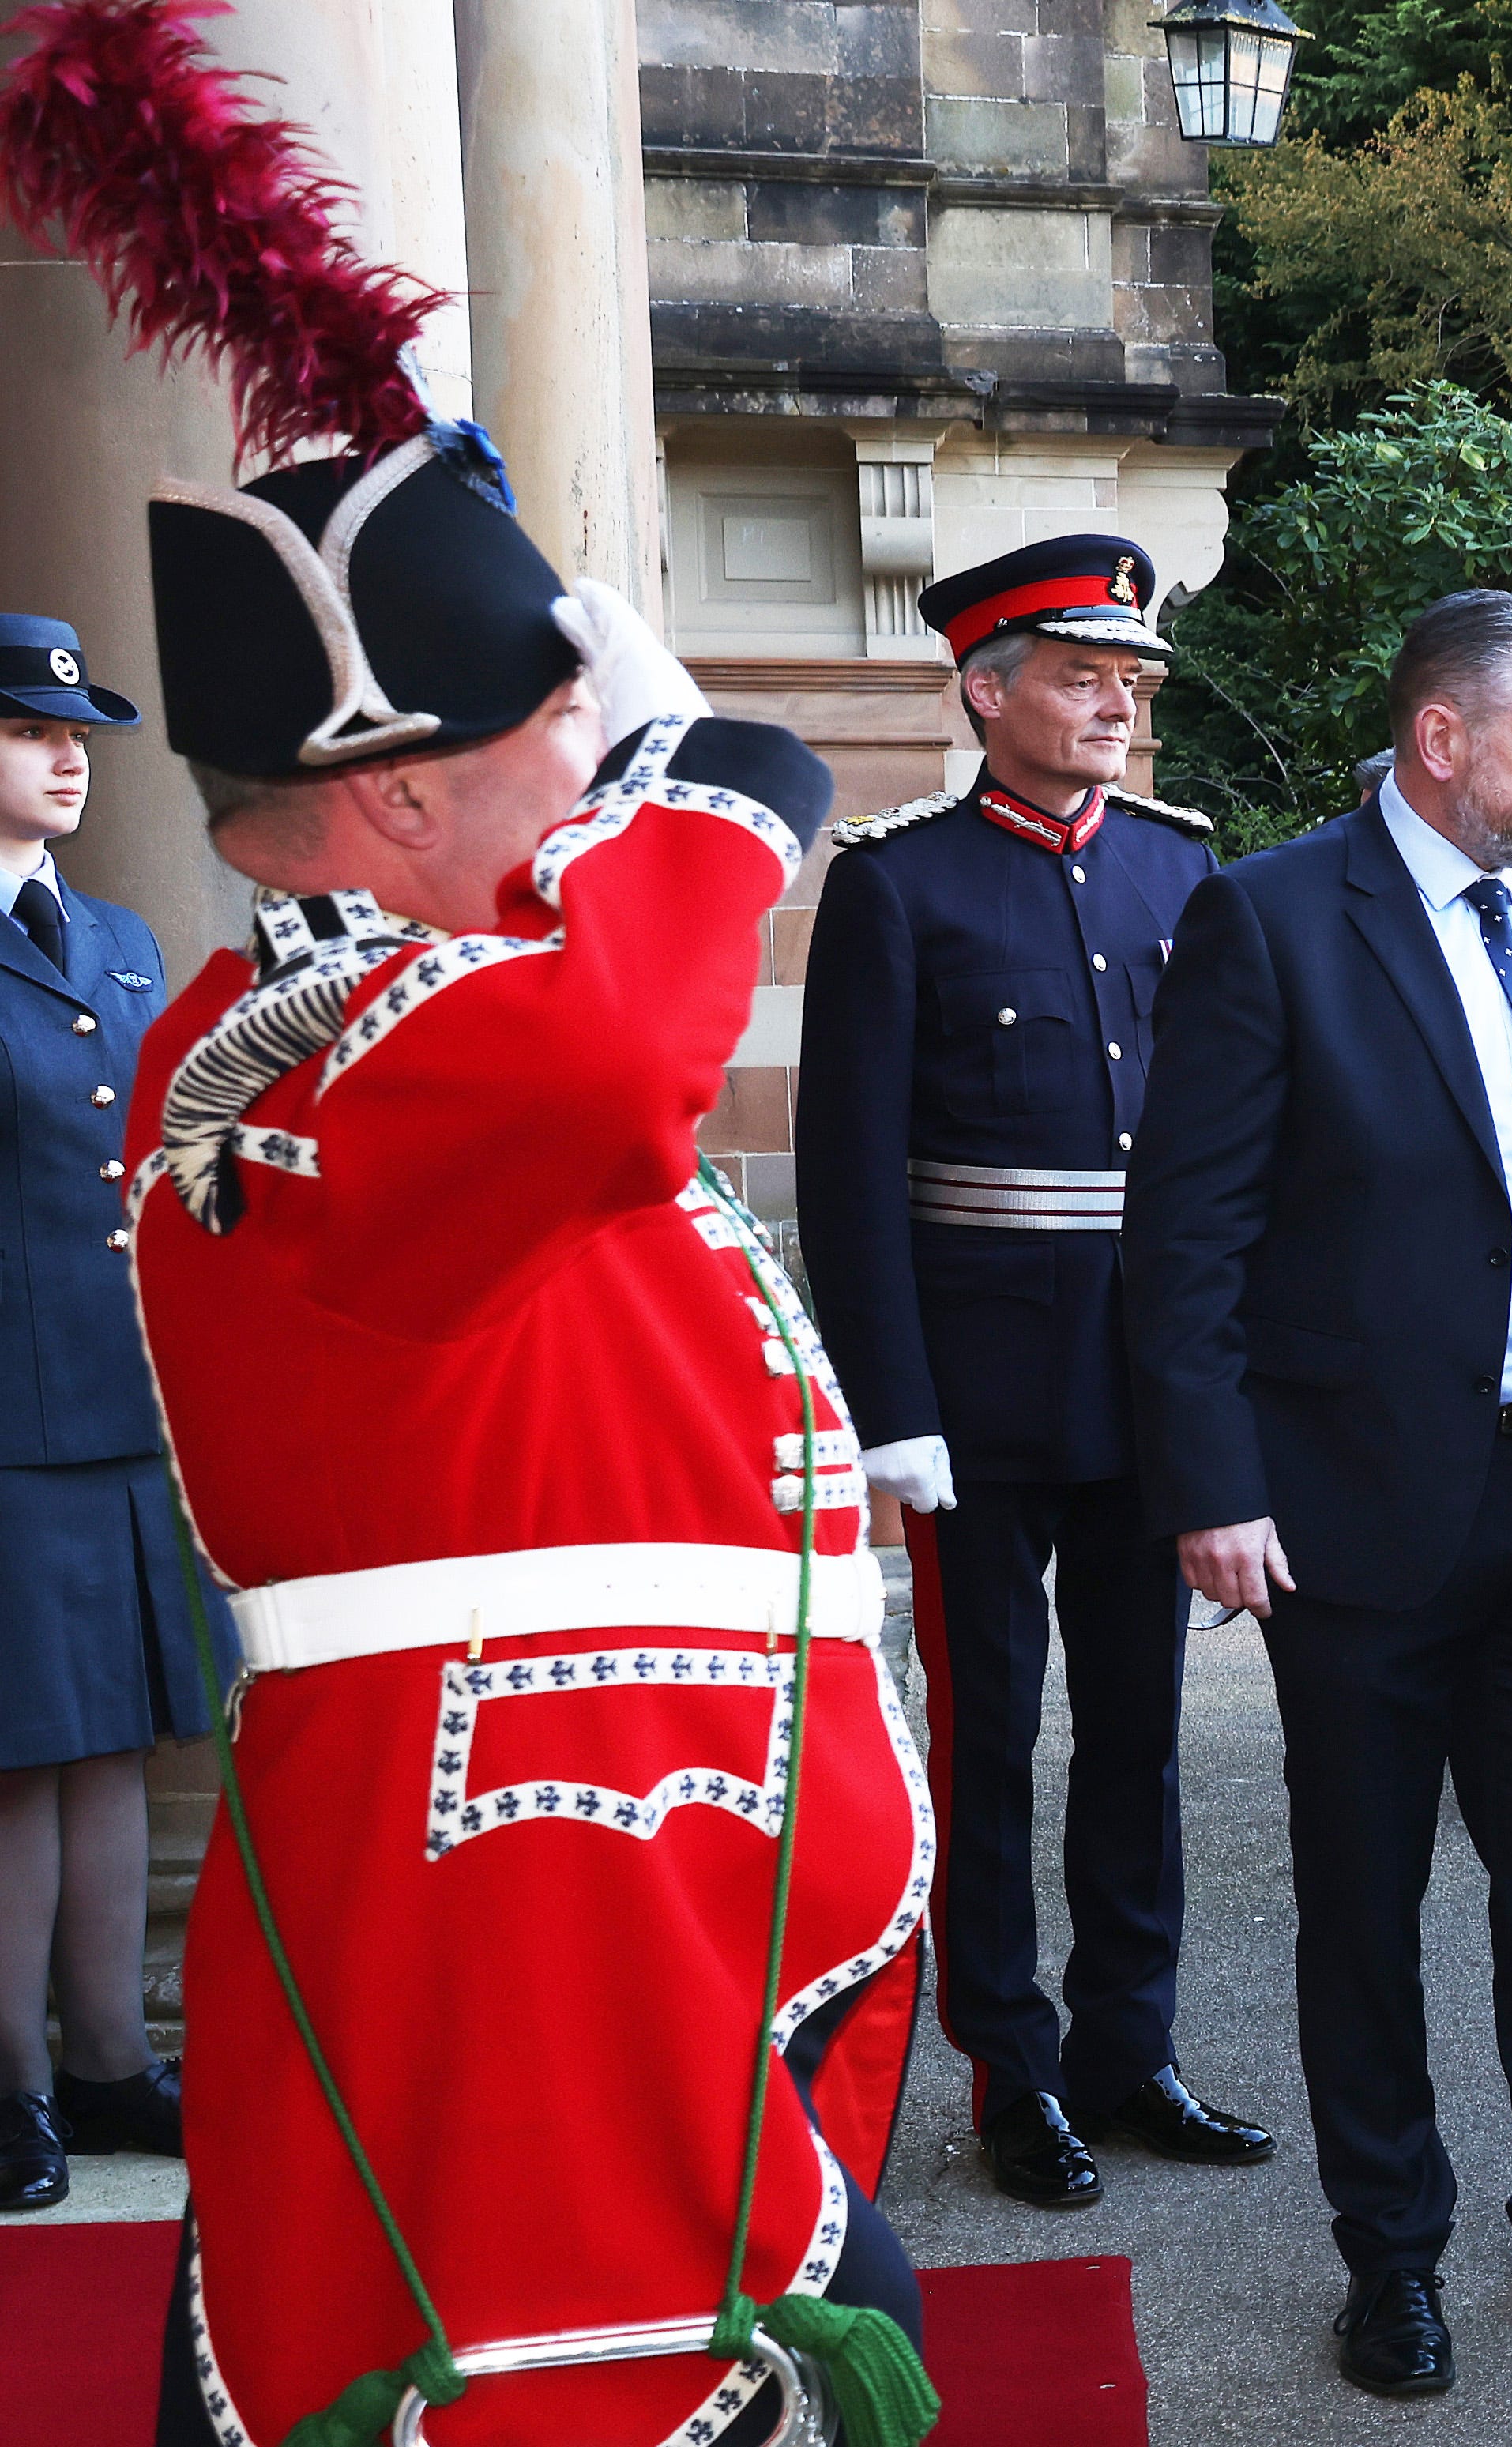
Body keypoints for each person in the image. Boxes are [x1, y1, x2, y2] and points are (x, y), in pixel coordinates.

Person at [123, 431, 934, 2444]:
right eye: (573, 729)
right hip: (513, 1895)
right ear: (395, 787)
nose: (599, 771)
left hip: (629, 1863)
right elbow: (601, 1072)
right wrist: (721, 784)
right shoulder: (285, 1052)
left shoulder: (435, 1005)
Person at [1126, 589, 1512, 2397]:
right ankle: (1388, 2255)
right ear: (1441, 739)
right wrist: (1213, 1484)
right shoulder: (1265, 918)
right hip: (1353, 1514)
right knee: (1364, 1904)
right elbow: (1185, 1242)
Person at [797, 536, 1273, 2210]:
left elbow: (1228, 1164)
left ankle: (1127, 2051)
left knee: (1139, 1736)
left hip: (1149, 1388)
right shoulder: (898, 882)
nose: (1114, 708)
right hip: (979, 1399)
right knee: (987, 1738)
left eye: (1130, 683)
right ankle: (1011, 2063)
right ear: (984, 688)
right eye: (1082, 677)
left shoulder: (1181, 875)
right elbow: (851, 1179)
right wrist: (892, 1415)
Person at [0, 615, 231, 2215]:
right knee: (14, 1765)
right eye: (32, 730)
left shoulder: (124, 938)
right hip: (6, 1423)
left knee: (106, 1758)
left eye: (79, 731)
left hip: (126, 1398)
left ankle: (101, 2058)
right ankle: (7, 2084)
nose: (71, 753)